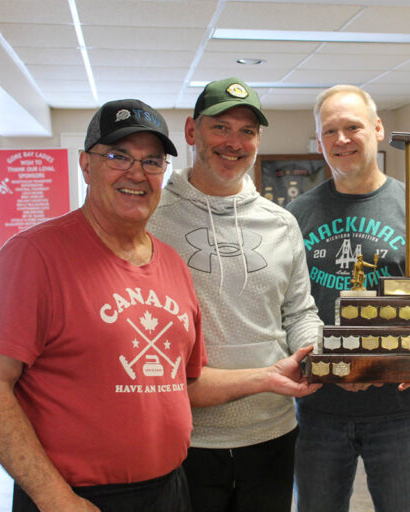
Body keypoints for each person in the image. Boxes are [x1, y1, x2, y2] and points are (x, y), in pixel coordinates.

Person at [0, 98, 317, 512]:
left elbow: (185, 384)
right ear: (86, 165)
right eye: (118, 156)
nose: (136, 173)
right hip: (77, 496)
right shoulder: (34, 255)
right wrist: (54, 498)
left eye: (152, 162)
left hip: (170, 489)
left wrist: (269, 377)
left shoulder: (170, 263)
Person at [147, 77, 323, 512]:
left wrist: (315, 350)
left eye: (247, 131)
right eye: (220, 127)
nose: (234, 142)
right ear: (191, 132)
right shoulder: (151, 220)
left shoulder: (281, 223)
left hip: (272, 433)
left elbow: (299, 310)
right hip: (185, 438)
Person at [288, 85, 410, 512]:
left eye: (353, 127)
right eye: (330, 131)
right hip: (317, 408)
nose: (342, 140)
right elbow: (288, 309)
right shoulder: (295, 215)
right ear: (319, 139)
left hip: (398, 410)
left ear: (379, 129)